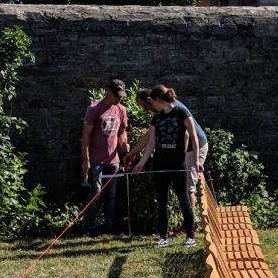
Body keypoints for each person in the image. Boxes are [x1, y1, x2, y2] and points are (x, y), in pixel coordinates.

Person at [132, 83, 199, 247]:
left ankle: (190, 235)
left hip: (177, 162)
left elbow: (193, 136)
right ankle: (163, 236)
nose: (151, 106)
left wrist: (196, 160)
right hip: (160, 162)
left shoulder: (182, 113)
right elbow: (152, 142)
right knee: (162, 201)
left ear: (158, 99)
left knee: (183, 199)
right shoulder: (157, 117)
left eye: (152, 102)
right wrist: (142, 162)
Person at [81, 79, 128, 235]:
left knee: (111, 196)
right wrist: (86, 160)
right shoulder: (94, 108)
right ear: (108, 91)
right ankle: (90, 228)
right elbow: (86, 136)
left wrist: (124, 145)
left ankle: (110, 226)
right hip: (96, 160)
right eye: (116, 96)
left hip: (113, 160)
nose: (119, 99)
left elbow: (121, 132)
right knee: (95, 193)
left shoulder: (121, 109)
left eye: (121, 96)